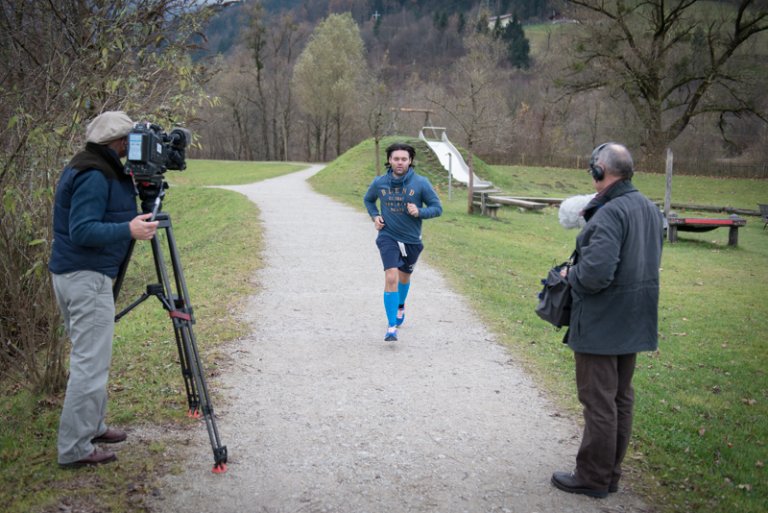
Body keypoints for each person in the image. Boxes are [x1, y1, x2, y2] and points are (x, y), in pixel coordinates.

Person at [551, 142, 663, 498]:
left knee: (599, 401)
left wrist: (572, 275)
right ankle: (609, 474)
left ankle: (593, 477)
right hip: (633, 317)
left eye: (592, 168)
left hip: (602, 322)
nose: (591, 173)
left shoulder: (611, 211)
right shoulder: (647, 206)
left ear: (601, 169)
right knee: (619, 398)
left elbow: (596, 273)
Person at [49, 111, 159, 468]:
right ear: (119, 142)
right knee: (89, 365)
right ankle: (75, 449)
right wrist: (128, 230)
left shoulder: (93, 165)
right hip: (85, 277)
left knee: (90, 359)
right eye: (131, 141)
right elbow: (82, 230)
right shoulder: (95, 174)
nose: (133, 148)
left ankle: (92, 426)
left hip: (75, 275)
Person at [363, 142, 442, 342]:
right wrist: (375, 216)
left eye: (404, 159)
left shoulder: (421, 183)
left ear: (410, 161)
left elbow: (437, 208)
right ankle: (391, 327)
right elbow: (368, 200)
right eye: (396, 159)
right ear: (389, 160)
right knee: (391, 277)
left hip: (411, 240)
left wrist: (419, 211)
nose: (400, 162)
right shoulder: (379, 182)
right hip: (387, 236)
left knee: (404, 278)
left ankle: (400, 305)